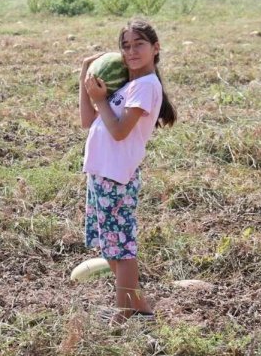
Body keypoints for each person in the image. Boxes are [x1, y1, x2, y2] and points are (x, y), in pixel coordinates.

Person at [78, 18, 176, 325]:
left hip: (117, 176)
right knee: (109, 244)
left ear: (155, 49)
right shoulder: (131, 85)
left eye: (139, 44)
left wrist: (100, 100)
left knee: (122, 247)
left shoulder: (146, 86)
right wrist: (86, 75)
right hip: (101, 172)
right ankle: (139, 307)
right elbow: (86, 120)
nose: (131, 51)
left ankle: (123, 314)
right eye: (126, 45)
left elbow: (120, 131)